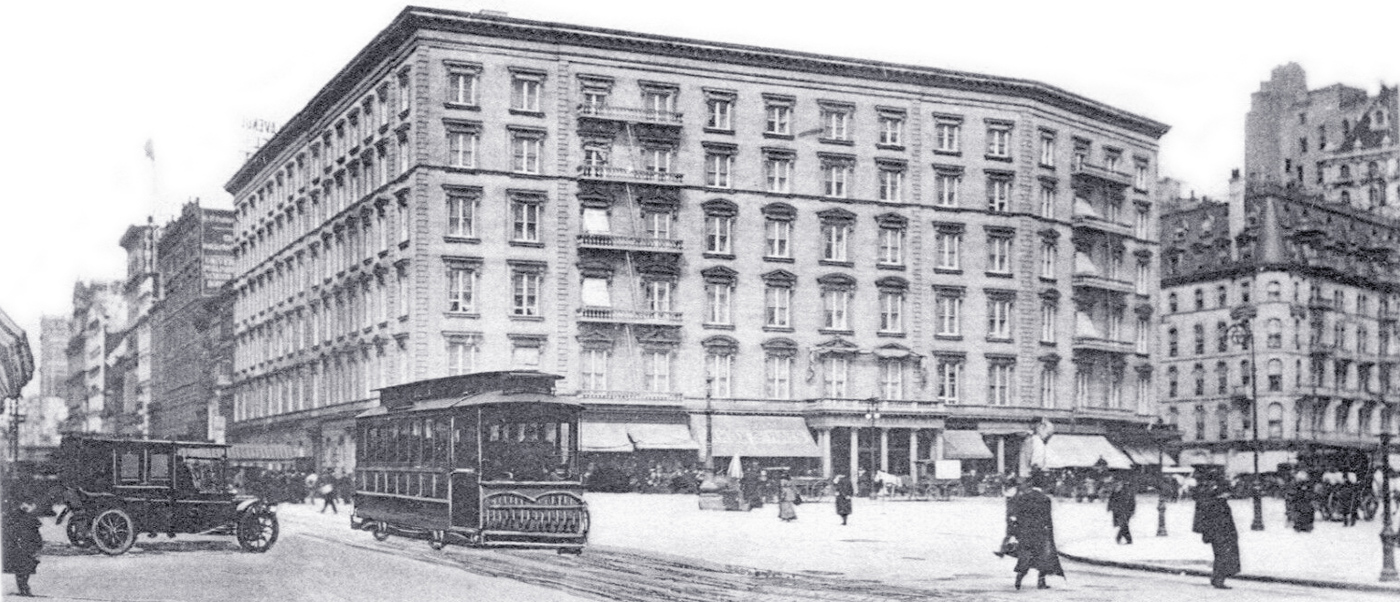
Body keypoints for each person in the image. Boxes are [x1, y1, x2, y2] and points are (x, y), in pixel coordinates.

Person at [1007, 471, 1064, 590]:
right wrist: (1049, 531)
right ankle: (1041, 582)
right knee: (1042, 558)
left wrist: (1015, 531)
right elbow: (1047, 518)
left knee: (1025, 557)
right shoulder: (1044, 498)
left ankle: (1019, 579)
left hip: (1025, 532)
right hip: (1040, 532)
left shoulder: (1021, 498)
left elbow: (1015, 516)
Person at [1192, 475, 1240, 589]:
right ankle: (1218, 580)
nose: (1228, 495)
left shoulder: (1212, 501)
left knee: (1220, 555)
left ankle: (1217, 578)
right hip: (1220, 534)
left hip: (1218, 533)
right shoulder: (1217, 504)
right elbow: (1222, 521)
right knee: (1222, 556)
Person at [3, 496, 42, 597]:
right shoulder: (15, 515)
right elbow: (9, 530)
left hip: (30, 544)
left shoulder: (31, 515)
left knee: (29, 566)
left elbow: (36, 531)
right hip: (18, 544)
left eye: (29, 504)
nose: (27, 506)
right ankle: (23, 587)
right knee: (21, 567)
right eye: (24, 503)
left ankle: (24, 587)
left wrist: (38, 544)